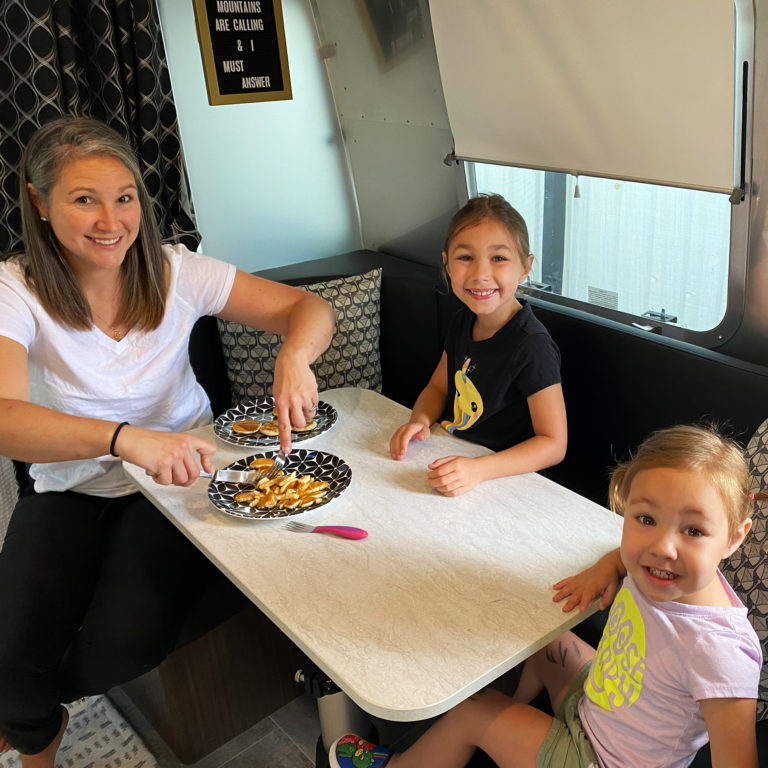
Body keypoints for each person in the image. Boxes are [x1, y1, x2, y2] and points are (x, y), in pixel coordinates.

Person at [0, 116, 335, 768]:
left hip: (177, 485)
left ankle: (28, 711)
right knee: (11, 658)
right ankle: (32, 728)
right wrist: (125, 439)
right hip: (69, 486)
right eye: (84, 199)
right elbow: (6, 418)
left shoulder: (176, 270)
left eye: (124, 197)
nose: (111, 221)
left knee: (120, 646)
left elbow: (308, 309)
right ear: (40, 202)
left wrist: (295, 355)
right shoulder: (16, 288)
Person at [334, 424, 761, 768]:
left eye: (693, 531)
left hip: (602, 759)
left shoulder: (720, 652)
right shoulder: (661, 568)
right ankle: (511, 730)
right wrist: (606, 567)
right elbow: (625, 552)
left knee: (472, 710)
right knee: (539, 639)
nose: (662, 548)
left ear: (734, 538)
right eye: (646, 518)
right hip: (600, 703)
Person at [389, 194, 566, 497]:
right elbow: (438, 388)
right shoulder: (463, 321)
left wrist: (479, 470)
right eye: (465, 258)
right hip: (458, 462)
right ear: (447, 264)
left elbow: (553, 444)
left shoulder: (532, 346)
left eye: (498, 258)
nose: (480, 274)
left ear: (525, 267)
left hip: (507, 483)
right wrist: (419, 420)